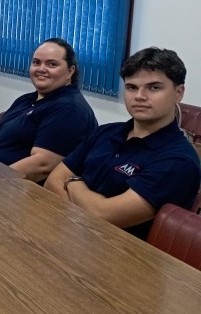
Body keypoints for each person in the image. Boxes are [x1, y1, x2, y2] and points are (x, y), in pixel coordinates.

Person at [45, 47, 201, 240]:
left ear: (179, 92)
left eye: (154, 87)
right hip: (66, 236)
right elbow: (52, 181)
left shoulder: (179, 161)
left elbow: (103, 215)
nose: (139, 96)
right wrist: (83, 206)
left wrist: (73, 181)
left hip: (122, 261)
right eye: (131, 87)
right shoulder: (106, 132)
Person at [0, 38, 98, 182]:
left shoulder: (70, 109)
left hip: (11, 189)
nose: (41, 69)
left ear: (70, 71)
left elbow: (42, 166)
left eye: (52, 64)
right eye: (36, 62)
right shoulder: (26, 99)